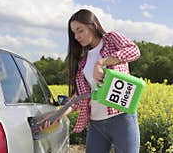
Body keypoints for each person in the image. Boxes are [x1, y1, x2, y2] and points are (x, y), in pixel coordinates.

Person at [50, 8, 141, 153]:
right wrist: (56, 115)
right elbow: (80, 97)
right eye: (74, 33)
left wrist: (102, 63)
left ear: (93, 26)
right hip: (96, 122)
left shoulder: (111, 39)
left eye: (80, 30)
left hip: (121, 117)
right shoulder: (83, 61)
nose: (76, 37)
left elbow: (134, 51)